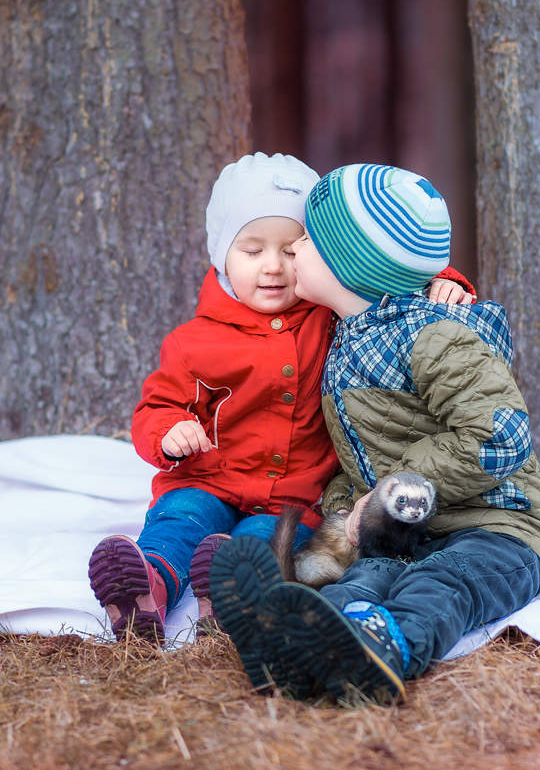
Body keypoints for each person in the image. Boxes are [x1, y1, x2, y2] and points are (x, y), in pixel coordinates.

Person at [208, 162, 540, 703]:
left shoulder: (435, 337)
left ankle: (383, 653)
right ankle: (293, 644)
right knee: (360, 583)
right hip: (401, 531)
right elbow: (363, 456)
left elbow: (500, 435)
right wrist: (350, 512)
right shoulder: (346, 338)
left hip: (495, 528)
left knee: (444, 582)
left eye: (304, 241)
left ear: (349, 264)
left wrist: (395, 487)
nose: (290, 253)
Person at [88, 153, 476, 640]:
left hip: (293, 495)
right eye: (252, 251)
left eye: (291, 251)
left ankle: (228, 598)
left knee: (260, 544)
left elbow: (391, 276)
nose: (273, 267)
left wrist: (445, 281)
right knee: (179, 521)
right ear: (221, 256)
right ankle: (147, 586)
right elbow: (156, 408)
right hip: (207, 479)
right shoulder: (194, 341)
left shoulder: (329, 312)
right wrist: (170, 433)